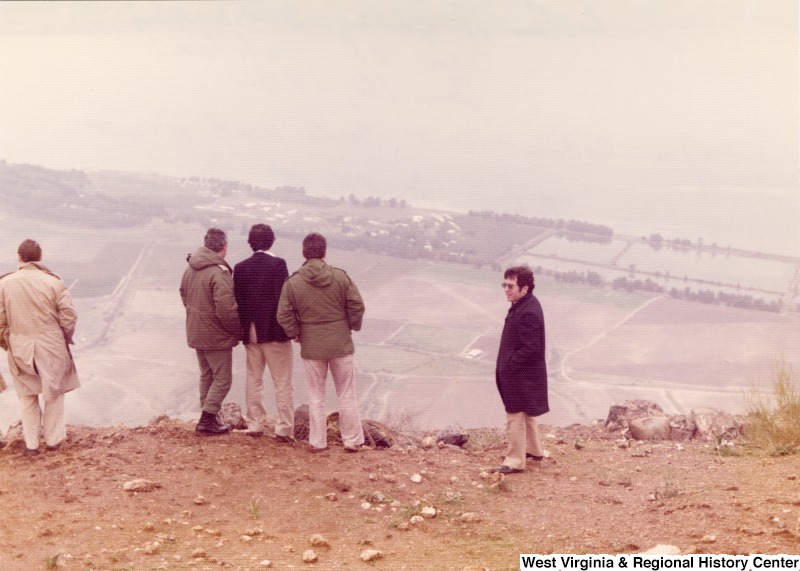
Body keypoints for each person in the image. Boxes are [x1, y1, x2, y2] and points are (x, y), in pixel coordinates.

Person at [277, 232, 366, 453]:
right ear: (324, 252)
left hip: (311, 345)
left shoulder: (293, 282)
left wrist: (296, 333)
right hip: (340, 343)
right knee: (346, 393)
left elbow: (283, 314)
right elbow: (357, 305)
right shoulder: (340, 277)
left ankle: (317, 442)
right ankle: (352, 440)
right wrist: (351, 326)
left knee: (316, 396)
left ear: (303, 253)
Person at [0, 239, 80, 456]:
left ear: (19, 257)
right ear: (40, 257)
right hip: (52, 344)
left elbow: (0, 321)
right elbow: (69, 315)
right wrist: (62, 338)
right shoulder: (54, 282)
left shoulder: (4, 284)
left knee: (27, 395)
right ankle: (53, 441)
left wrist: (8, 343)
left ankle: (32, 445)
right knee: (54, 392)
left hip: (19, 346)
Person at [233, 224, 295, 441]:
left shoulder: (240, 267)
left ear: (250, 242)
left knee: (254, 378)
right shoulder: (278, 264)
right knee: (283, 381)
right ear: (272, 240)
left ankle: (255, 424)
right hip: (274, 331)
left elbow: (239, 302)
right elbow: (283, 301)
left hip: (251, 331)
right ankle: (284, 428)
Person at [180, 228, 241, 435]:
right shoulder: (219, 273)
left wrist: (197, 317)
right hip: (216, 335)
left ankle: (208, 418)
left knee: (207, 375)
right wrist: (236, 332)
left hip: (196, 330)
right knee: (223, 379)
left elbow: (184, 295)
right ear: (224, 246)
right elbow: (226, 309)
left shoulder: (191, 268)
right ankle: (207, 419)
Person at [492, 264, 549, 474]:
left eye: (511, 286)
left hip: (519, 375)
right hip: (522, 373)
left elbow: (531, 348)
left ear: (525, 288)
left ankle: (514, 461)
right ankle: (534, 450)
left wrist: (510, 364)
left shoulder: (528, 312)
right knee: (526, 413)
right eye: (504, 285)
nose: (506, 290)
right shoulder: (525, 304)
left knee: (515, 415)